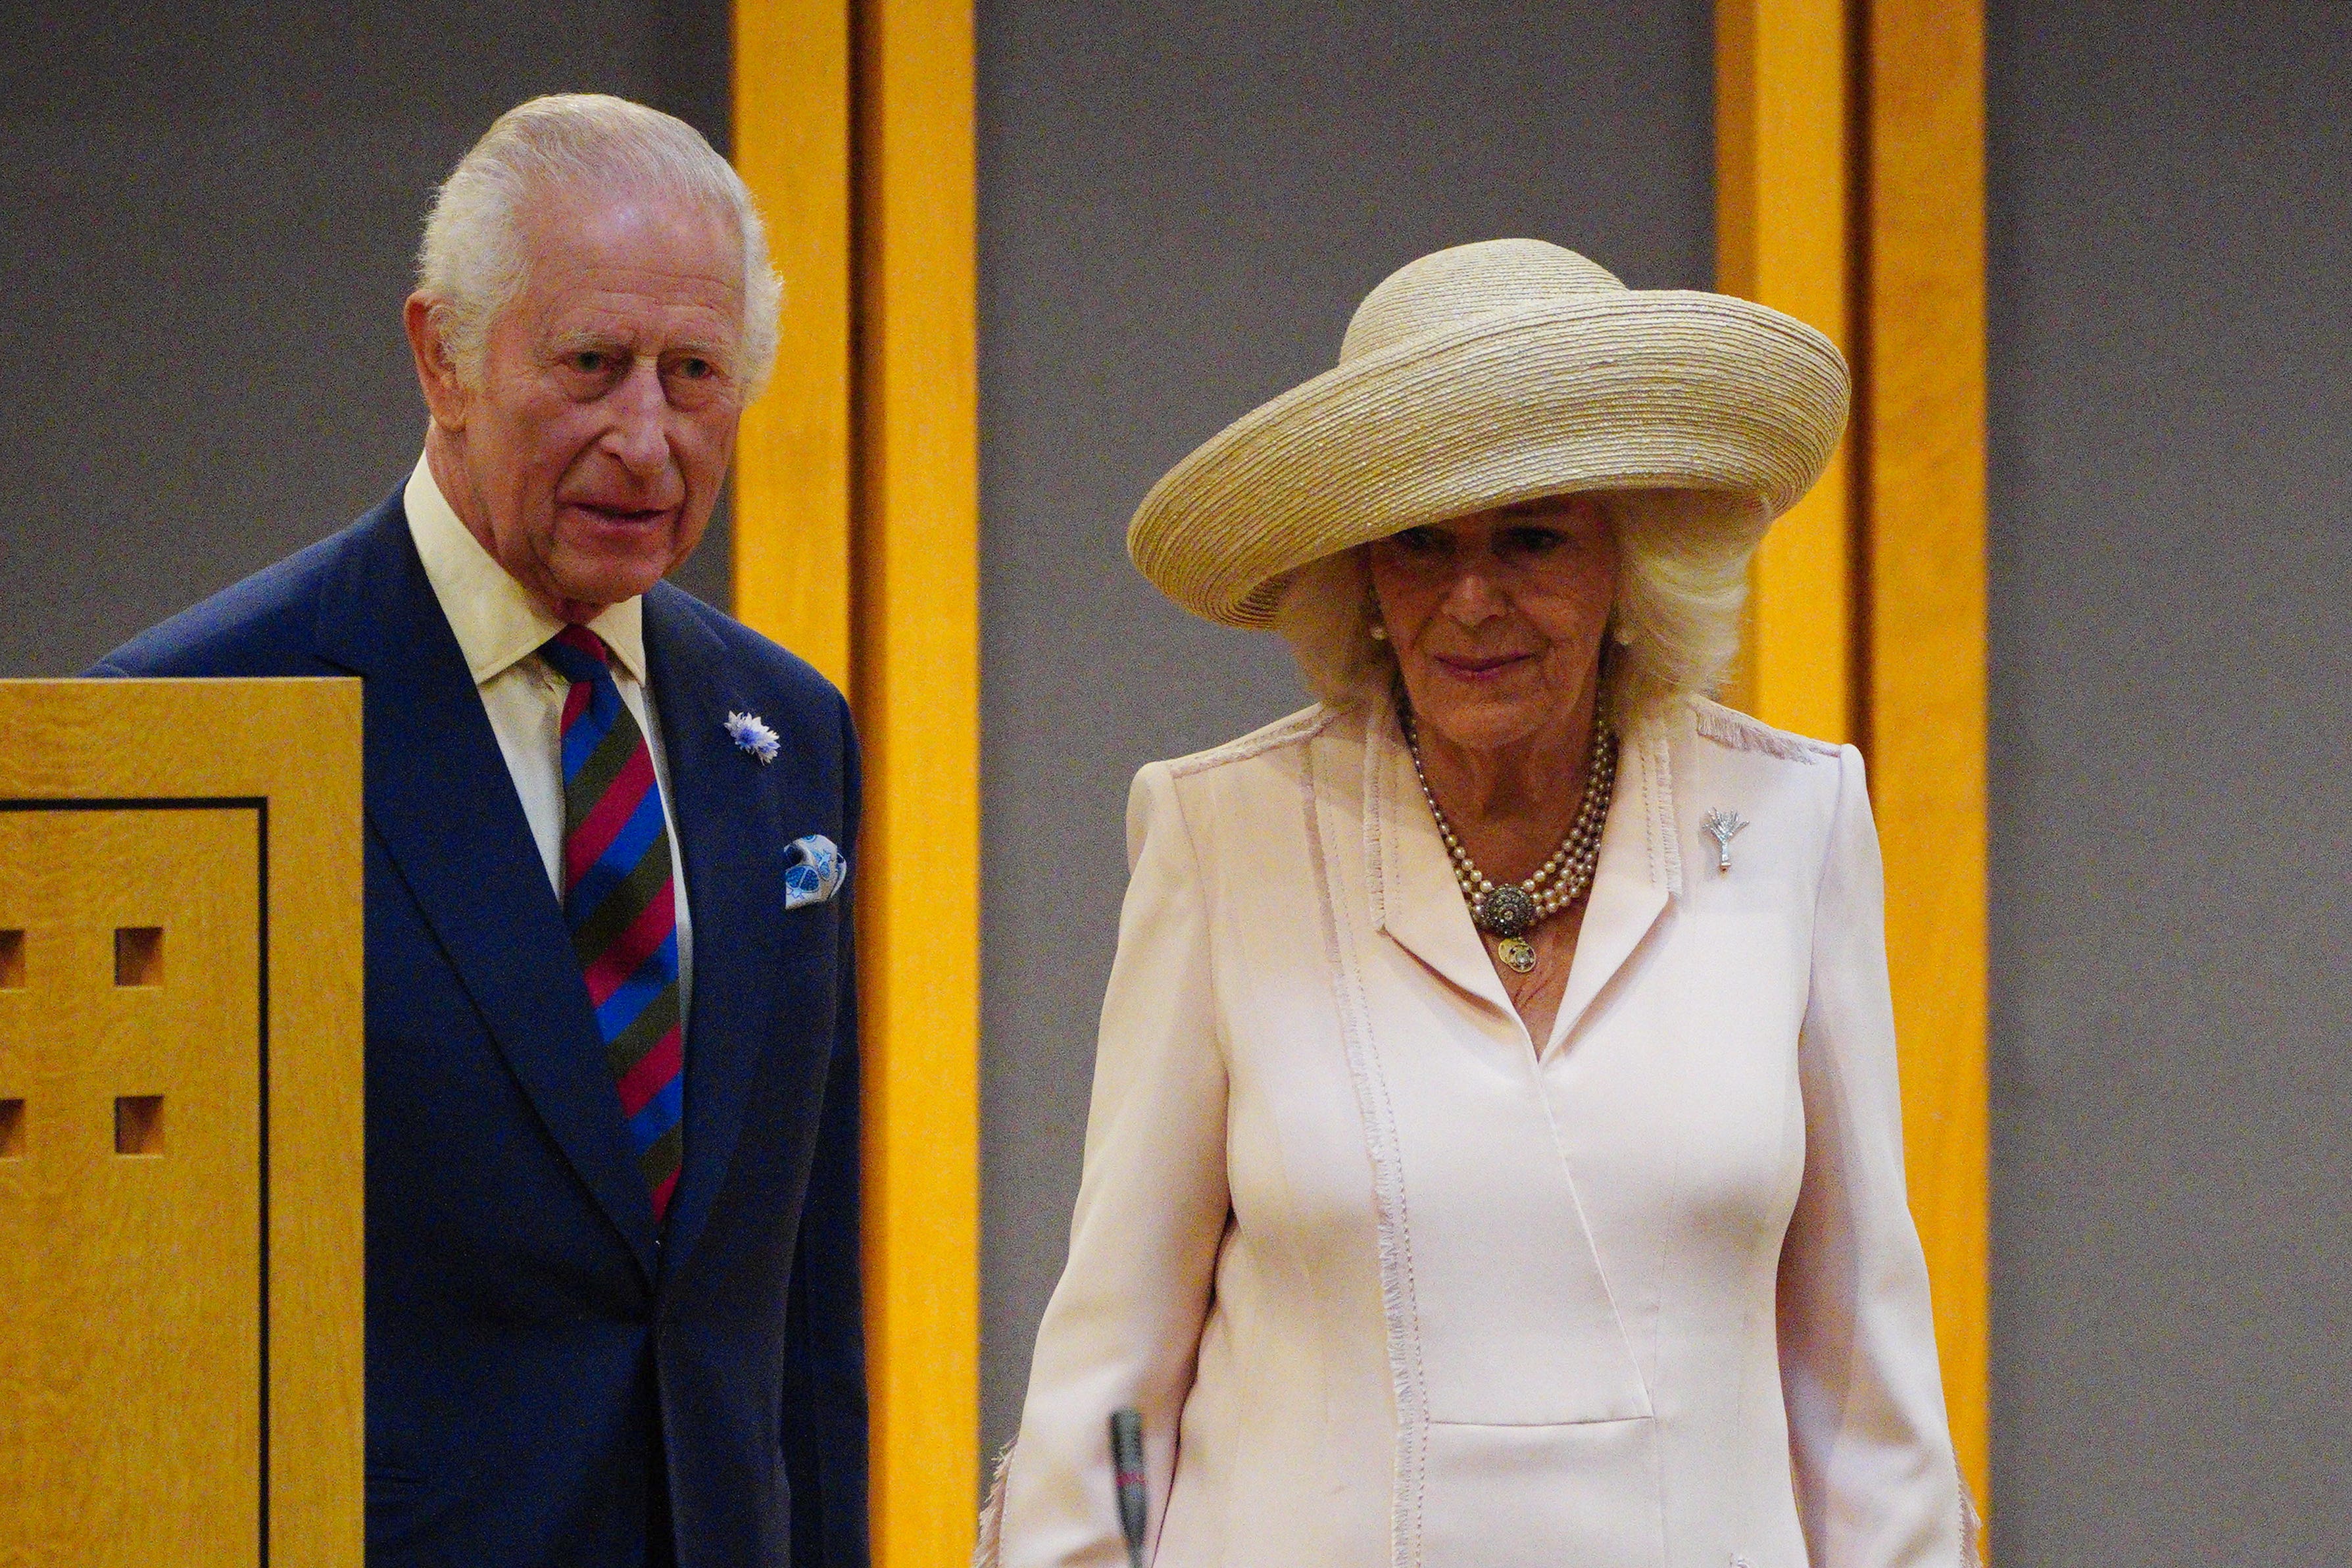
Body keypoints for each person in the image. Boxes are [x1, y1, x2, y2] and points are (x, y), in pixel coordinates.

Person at [982, 239, 1981, 1567]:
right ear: (1363, 579)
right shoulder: (1227, 834)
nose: (1473, 600)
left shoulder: (1792, 824)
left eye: (1532, 538)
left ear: (1631, 557)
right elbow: (1112, 1378)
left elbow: (1863, 1377)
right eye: (1421, 543)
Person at [92, 95, 866, 1568]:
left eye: (695, 375)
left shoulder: (789, 732)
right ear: (442, 357)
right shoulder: (196, 721)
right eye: (592, 366)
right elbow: (127, 1326)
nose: (647, 438)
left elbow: (800, 1296)